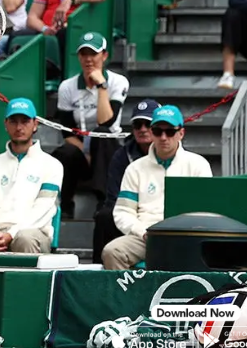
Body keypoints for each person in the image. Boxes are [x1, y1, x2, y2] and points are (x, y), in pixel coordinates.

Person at [102, 105, 212, 270]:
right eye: (157, 131)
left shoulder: (198, 165)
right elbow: (123, 212)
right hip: (145, 236)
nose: (163, 137)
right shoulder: (135, 168)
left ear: (181, 133)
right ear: (152, 133)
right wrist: (143, 232)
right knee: (112, 251)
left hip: (186, 237)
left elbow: (205, 209)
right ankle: (127, 296)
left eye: (169, 132)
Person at [52, 31, 129, 219]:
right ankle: (66, 207)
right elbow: (67, 132)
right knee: (65, 152)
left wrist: (102, 86)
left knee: (101, 133)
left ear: (104, 56)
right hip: (81, 151)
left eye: (93, 54)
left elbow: (106, 121)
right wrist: (86, 154)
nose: (88, 60)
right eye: (84, 54)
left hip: (108, 149)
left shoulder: (118, 82)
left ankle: (104, 202)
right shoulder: (67, 87)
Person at [0, 98, 63, 253]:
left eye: (25, 121)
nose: (19, 127)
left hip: (35, 231)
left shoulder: (52, 165)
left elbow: (43, 209)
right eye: (13, 121)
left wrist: (11, 233)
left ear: (35, 124)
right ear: (5, 124)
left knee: (24, 238)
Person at [94, 98, 158, 264]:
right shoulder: (122, 156)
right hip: (129, 214)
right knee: (105, 215)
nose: (143, 129)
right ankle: (97, 269)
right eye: (138, 125)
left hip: (157, 221)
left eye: (147, 124)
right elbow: (114, 197)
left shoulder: (180, 160)